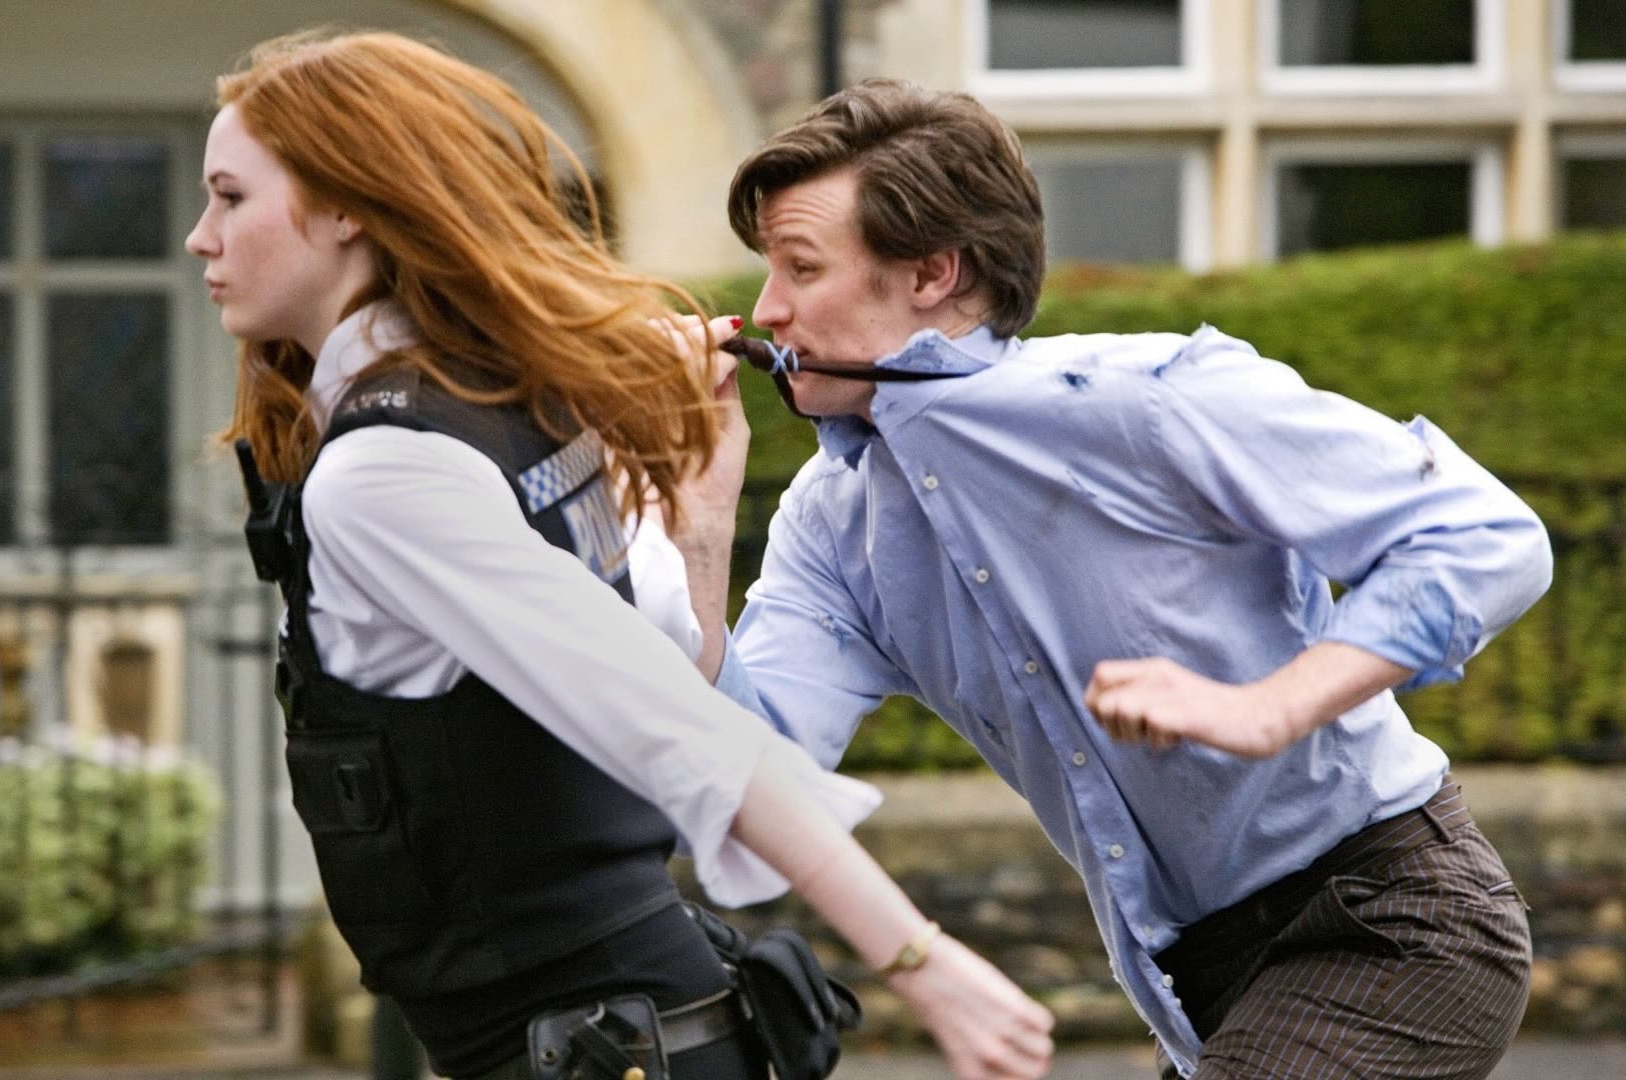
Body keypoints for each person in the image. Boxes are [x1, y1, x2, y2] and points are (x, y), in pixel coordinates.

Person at [184, 31, 1056, 1080]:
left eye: (230, 197)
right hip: (635, 1032)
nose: (200, 237)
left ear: (343, 207)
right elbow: (660, 674)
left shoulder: (386, 470)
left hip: (606, 1044)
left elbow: (677, 726)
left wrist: (919, 958)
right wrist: (697, 520)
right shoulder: (507, 403)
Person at [672, 78, 1551, 1080]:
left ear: (932, 272)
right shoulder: (832, 526)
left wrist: (1268, 707)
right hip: (1197, 985)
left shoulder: (1148, 401)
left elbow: (1484, 536)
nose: (767, 309)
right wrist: (698, 524)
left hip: (1394, 919)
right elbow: (754, 789)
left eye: (800, 267)